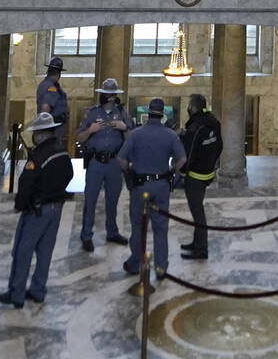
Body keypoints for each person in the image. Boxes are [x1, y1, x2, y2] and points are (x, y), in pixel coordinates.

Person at [0, 110, 73, 308]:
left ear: (39, 135)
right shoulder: (62, 151)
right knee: (45, 252)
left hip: (37, 210)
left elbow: (27, 183)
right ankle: (38, 291)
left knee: (22, 251)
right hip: (56, 208)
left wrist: (19, 204)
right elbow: (70, 175)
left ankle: (17, 294)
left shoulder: (37, 156)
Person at [117, 96, 187, 277]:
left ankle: (136, 263)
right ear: (162, 115)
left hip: (140, 186)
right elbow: (182, 159)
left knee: (138, 226)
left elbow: (121, 158)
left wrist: (129, 172)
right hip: (161, 185)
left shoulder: (136, 134)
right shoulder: (170, 135)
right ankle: (161, 267)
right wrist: (172, 170)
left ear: (148, 114)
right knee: (160, 228)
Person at [76, 78, 132, 251]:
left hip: (114, 163)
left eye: (110, 95)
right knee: (90, 199)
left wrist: (124, 128)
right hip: (96, 163)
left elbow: (131, 140)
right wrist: (90, 130)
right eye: (105, 94)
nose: (107, 97)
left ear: (115, 96)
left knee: (112, 200)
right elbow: (79, 137)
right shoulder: (91, 113)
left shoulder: (122, 113)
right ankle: (86, 235)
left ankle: (112, 232)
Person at [178, 92, 224, 261]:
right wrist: (211, 163)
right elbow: (219, 146)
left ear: (192, 108)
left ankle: (201, 248)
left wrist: (182, 173)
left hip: (195, 177)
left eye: (189, 105)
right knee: (198, 210)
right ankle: (196, 242)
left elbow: (188, 155)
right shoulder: (213, 122)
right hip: (207, 173)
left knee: (197, 212)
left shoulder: (195, 128)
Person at [35, 55, 70, 129]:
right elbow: (45, 107)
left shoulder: (43, 84)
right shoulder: (51, 87)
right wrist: (45, 128)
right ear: (59, 73)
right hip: (52, 128)